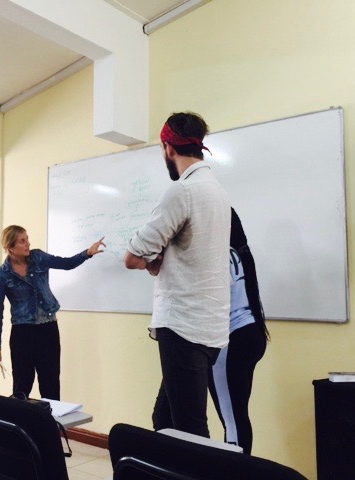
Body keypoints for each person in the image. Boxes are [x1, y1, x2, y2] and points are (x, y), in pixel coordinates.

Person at [124, 112, 231, 438]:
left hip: (183, 326)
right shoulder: (216, 191)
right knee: (165, 418)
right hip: (209, 326)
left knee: (189, 430)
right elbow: (193, 252)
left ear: (168, 148)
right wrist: (160, 260)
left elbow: (132, 256)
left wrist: (150, 262)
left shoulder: (182, 192)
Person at [0, 225, 105, 400]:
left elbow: (66, 264)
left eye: (27, 238)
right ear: (10, 247)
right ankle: (21, 426)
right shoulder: (2, 275)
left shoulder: (38, 257)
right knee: (22, 387)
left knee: (50, 384)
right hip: (23, 333)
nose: (28, 243)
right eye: (22, 241)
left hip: (48, 329)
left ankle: (51, 426)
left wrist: (87, 253)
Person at [208, 208, 269, 454]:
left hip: (229, 342)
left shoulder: (215, 256)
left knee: (231, 422)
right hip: (252, 333)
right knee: (239, 414)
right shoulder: (240, 253)